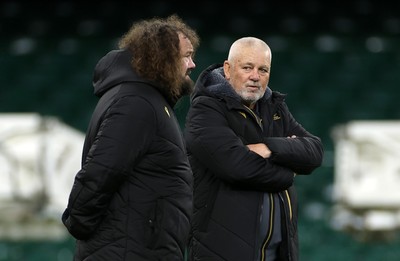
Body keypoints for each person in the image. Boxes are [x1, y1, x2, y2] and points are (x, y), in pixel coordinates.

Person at [61, 15, 200, 261]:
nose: (192, 65)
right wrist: (80, 225)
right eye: (186, 56)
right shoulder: (137, 103)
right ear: (162, 59)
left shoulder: (145, 100)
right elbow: (100, 172)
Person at [184, 37, 324, 261]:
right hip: (223, 253)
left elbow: (315, 152)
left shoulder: (274, 106)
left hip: (279, 253)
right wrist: (288, 169)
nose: (255, 77)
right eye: (247, 67)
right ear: (228, 69)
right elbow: (237, 167)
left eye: (263, 69)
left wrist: (268, 147)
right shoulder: (205, 111)